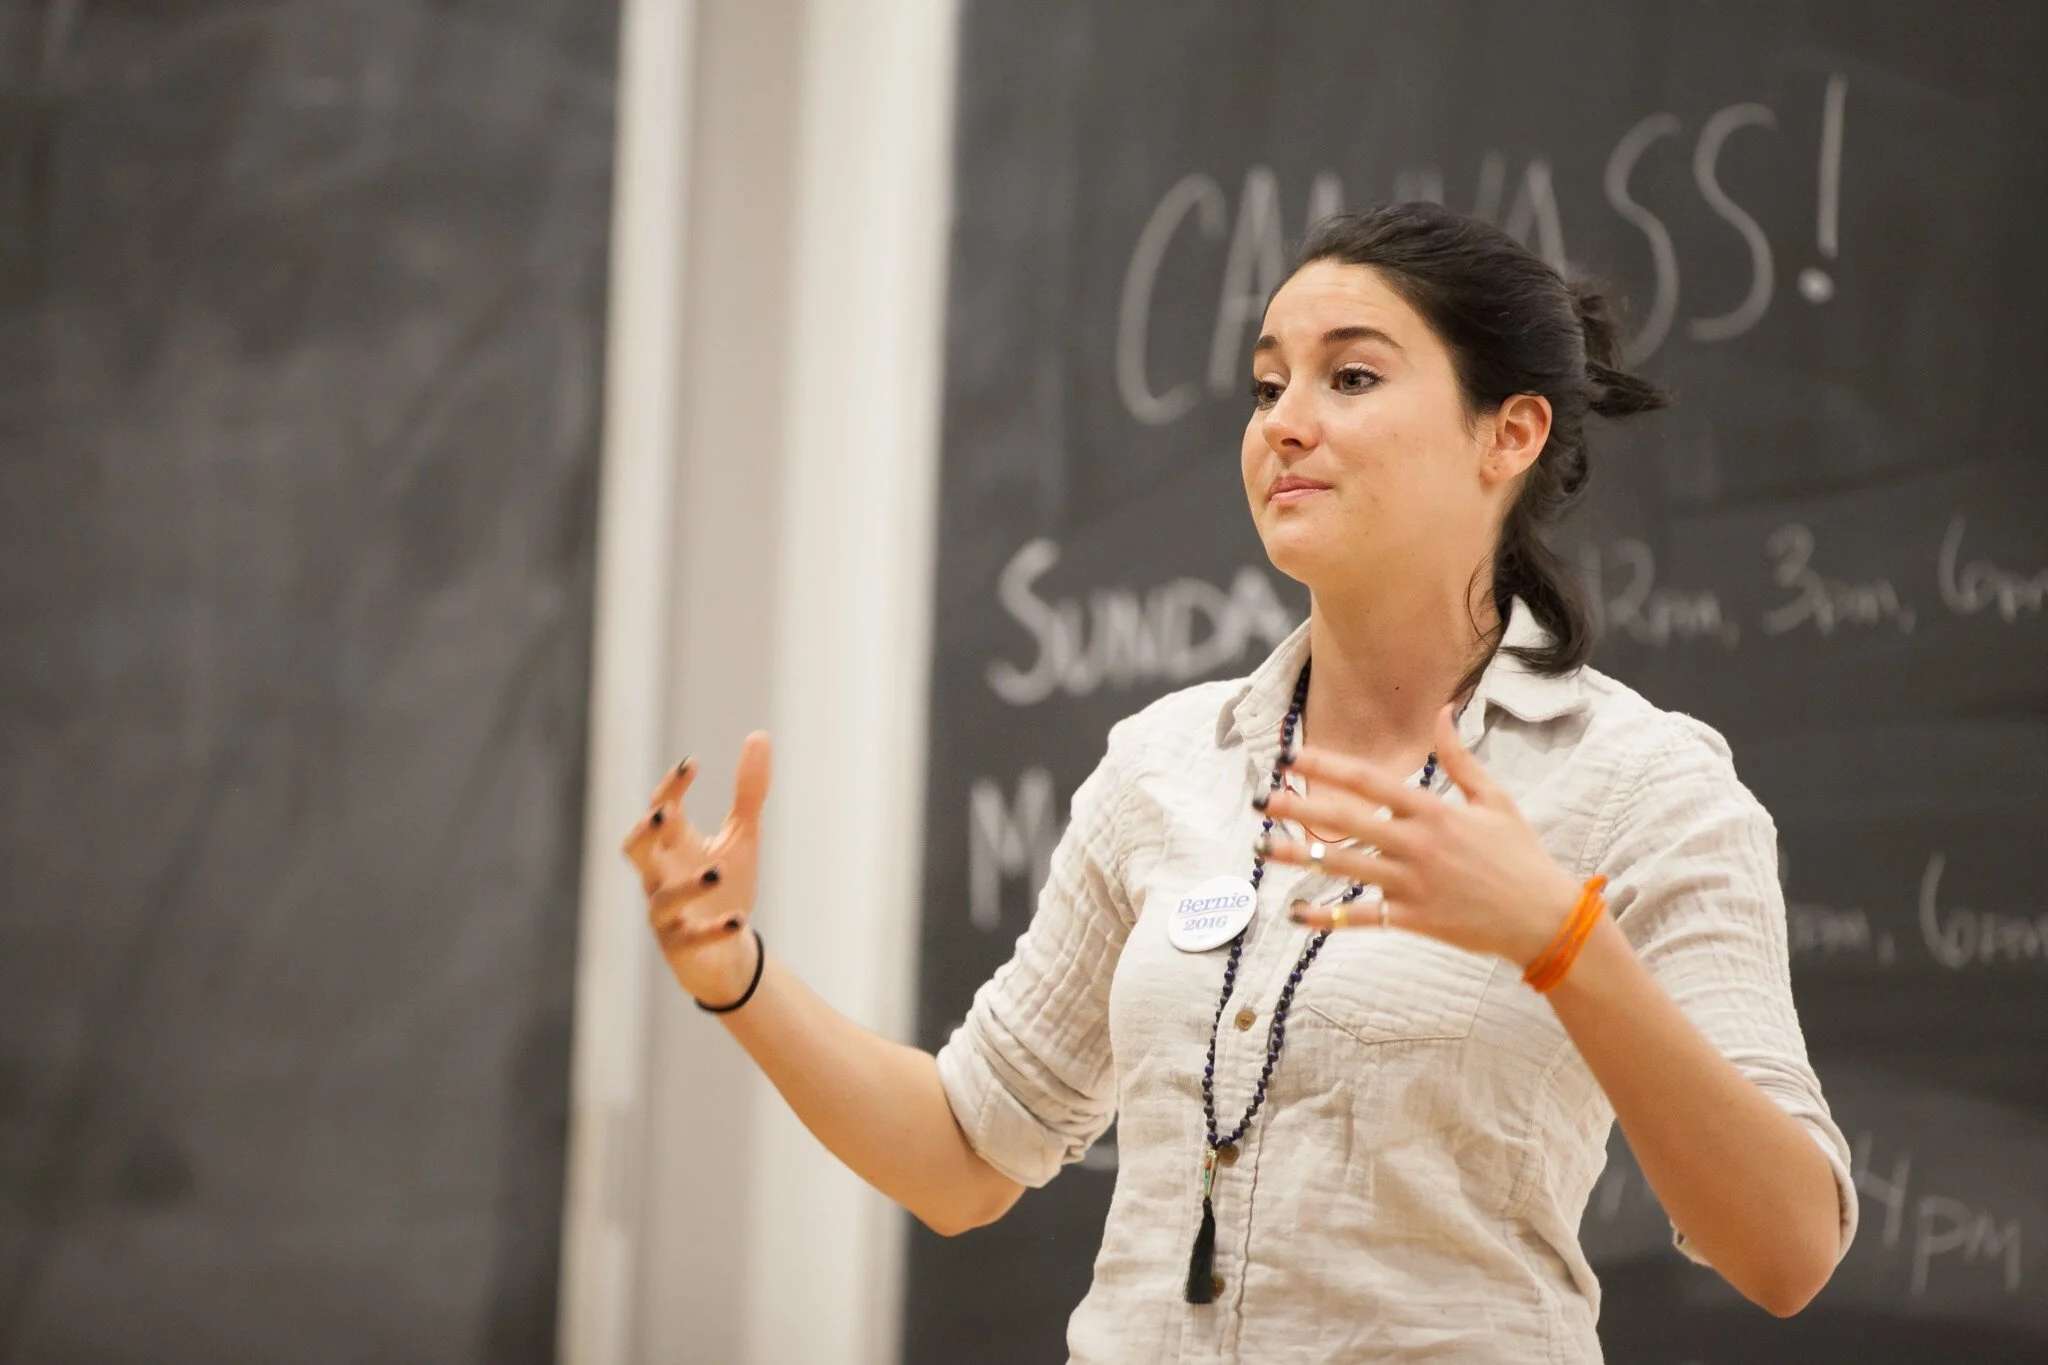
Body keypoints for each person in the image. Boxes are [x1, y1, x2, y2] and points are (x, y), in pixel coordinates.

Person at [621, 202, 1858, 1363]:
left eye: (1350, 378)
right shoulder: (1166, 763)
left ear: (1509, 433)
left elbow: (1786, 1249)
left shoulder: (1643, 786)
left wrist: (1561, 941)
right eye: (1267, 387)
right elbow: (964, 1153)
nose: (1284, 424)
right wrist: (737, 971)